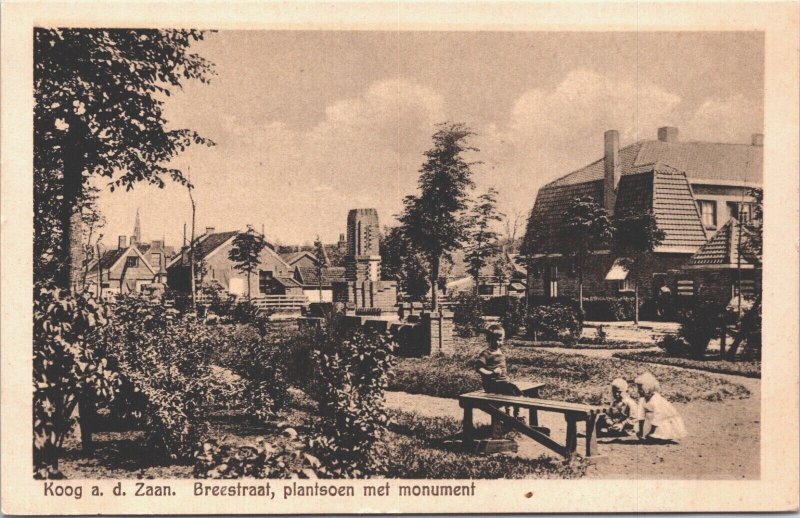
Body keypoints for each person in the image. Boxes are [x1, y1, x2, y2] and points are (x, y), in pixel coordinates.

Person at [634, 372, 688, 443]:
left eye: (640, 389)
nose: (638, 391)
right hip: (651, 420)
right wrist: (640, 431)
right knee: (645, 429)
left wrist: (651, 432)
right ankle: (651, 434)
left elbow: (658, 416)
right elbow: (641, 415)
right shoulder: (642, 399)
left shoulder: (656, 399)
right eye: (638, 388)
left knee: (657, 435)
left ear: (647, 389)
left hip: (662, 420)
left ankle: (660, 435)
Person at [475, 324, 510, 393]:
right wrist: (491, 373)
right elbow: (479, 368)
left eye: (500, 340)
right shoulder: (486, 353)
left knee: (515, 390)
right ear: (488, 340)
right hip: (492, 384)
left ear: (503, 339)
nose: (497, 342)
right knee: (511, 391)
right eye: (494, 340)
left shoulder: (500, 352)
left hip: (502, 382)